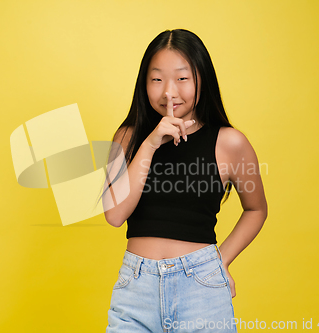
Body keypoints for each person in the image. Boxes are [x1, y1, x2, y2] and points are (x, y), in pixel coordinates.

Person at [102, 29, 267, 332]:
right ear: (144, 83)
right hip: (136, 290)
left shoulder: (229, 143)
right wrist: (151, 143)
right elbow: (114, 214)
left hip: (201, 288)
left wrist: (221, 262)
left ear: (202, 79)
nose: (169, 91)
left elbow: (256, 210)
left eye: (181, 78)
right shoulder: (127, 137)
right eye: (156, 79)